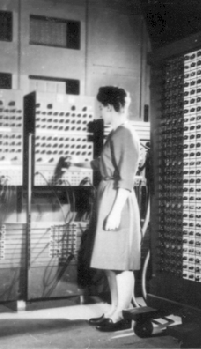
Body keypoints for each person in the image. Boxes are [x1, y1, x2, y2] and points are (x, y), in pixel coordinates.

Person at [73, 86, 141, 332]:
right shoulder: (116, 133)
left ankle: (122, 315)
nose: (101, 112)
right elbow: (101, 164)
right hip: (109, 196)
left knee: (119, 263)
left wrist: (114, 212)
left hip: (117, 201)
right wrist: (73, 162)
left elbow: (126, 177)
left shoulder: (124, 134)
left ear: (110, 108)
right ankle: (114, 310)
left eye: (102, 108)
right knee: (110, 261)